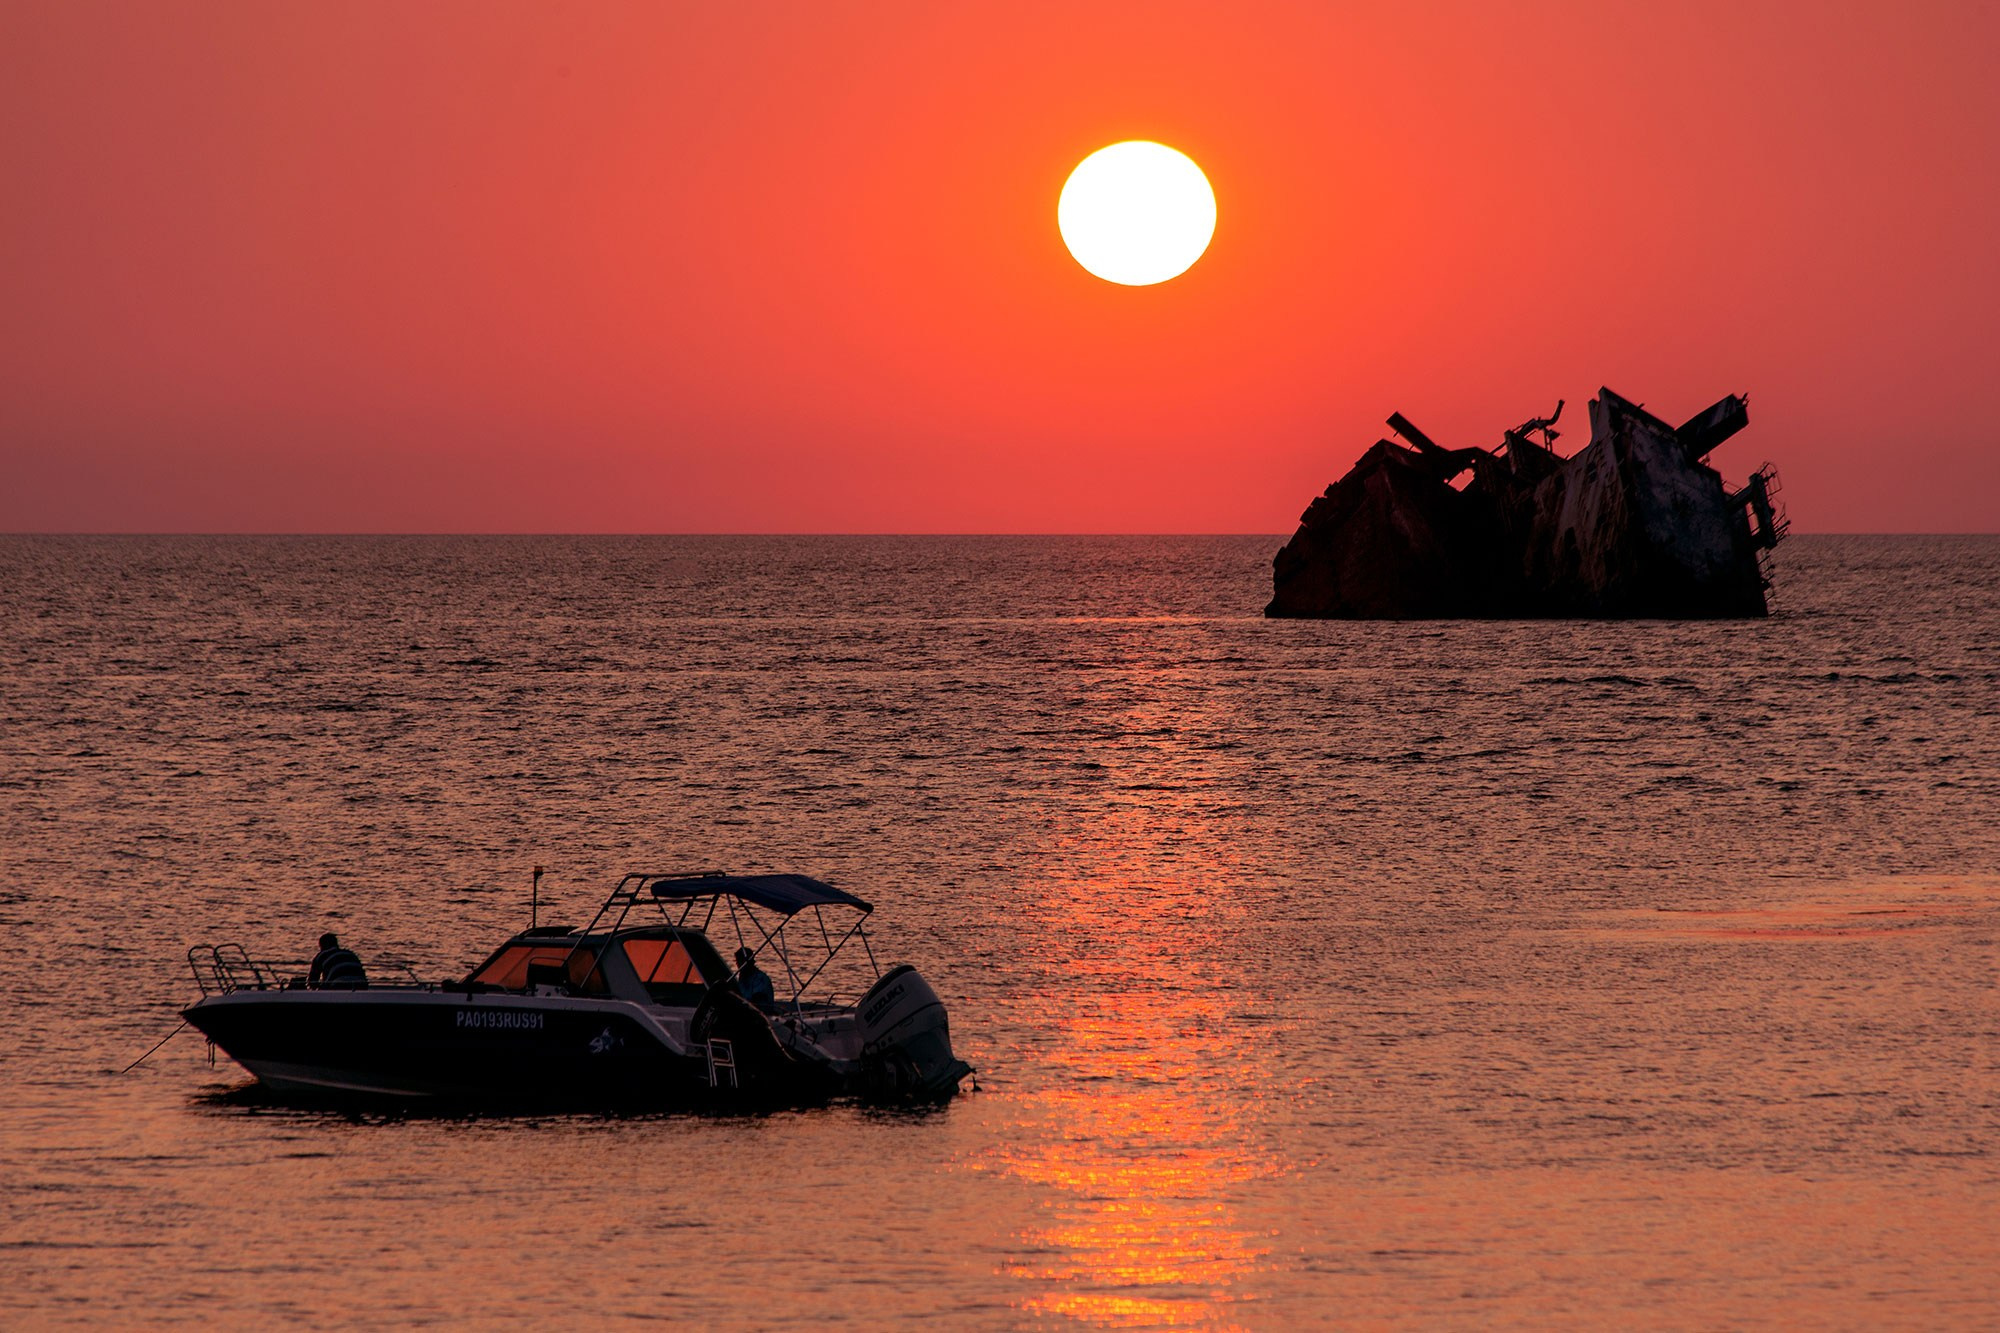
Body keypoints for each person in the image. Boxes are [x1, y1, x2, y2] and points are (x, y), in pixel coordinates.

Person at [734, 946, 775, 1011]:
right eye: (736, 961)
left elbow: (757, 1000)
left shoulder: (760, 978)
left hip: (762, 1013)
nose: (737, 964)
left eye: (739, 961)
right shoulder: (742, 977)